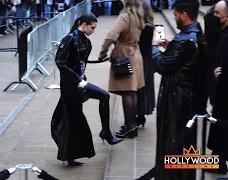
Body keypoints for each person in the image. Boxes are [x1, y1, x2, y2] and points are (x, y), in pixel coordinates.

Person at [143, 0, 208, 179]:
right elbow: (181, 59)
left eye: (176, 15)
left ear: (184, 15)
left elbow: (162, 65)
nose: (175, 18)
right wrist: (171, 47)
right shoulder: (195, 34)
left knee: (174, 141)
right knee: (186, 143)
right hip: (191, 97)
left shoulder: (185, 39)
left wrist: (155, 46)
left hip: (177, 100)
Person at [51, 13, 122, 166]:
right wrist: (77, 79)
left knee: (74, 118)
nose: (93, 31)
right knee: (78, 114)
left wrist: (84, 75)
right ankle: (105, 133)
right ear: (83, 24)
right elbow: (60, 61)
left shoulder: (84, 41)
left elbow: (80, 62)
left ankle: (72, 153)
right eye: (92, 27)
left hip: (78, 83)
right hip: (71, 85)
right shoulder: (70, 38)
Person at [99, 0, 145, 138]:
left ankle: (130, 126)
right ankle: (131, 124)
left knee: (127, 92)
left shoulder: (125, 16)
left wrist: (103, 52)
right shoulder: (138, 15)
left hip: (125, 55)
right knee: (132, 92)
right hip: (136, 53)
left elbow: (111, 36)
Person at [207, 0, 228, 175]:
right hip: (221, 88)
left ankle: (220, 162)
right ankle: (217, 160)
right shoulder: (223, 33)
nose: (214, 16)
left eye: (217, 13)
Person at [136, 0, 155, 127]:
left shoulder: (145, 27)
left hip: (142, 61)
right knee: (142, 89)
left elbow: (144, 48)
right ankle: (140, 115)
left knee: (140, 89)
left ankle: (139, 114)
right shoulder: (148, 27)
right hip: (145, 61)